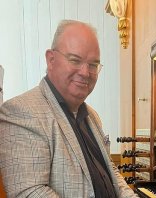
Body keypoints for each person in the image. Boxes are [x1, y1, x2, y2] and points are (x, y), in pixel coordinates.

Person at [0, 20, 138, 198]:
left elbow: (109, 170)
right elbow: (30, 192)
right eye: (75, 60)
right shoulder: (20, 111)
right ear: (51, 59)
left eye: (93, 65)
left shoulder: (92, 116)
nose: (85, 72)